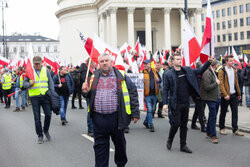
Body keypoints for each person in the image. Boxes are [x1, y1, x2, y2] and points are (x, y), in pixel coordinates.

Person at [82, 53, 140, 167]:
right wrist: (85, 92)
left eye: (106, 61)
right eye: (102, 61)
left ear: (111, 62)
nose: (104, 63)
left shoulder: (121, 76)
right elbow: (90, 95)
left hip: (116, 118)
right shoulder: (94, 76)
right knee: (100, 148)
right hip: (99, 118)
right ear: (99, 64)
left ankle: (121, 164)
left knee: (120, 146)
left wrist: (135, 112)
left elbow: (132, 92)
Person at [163, 53, 212, 153]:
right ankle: (170, 139)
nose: (179, 60)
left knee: (184, 125)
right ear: (172, 62)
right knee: (176, 124)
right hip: (175, 103)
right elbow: (165, 89)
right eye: (177, 59)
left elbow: (199, 71)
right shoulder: (168, 74)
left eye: (180, 59)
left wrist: (208, 62)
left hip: (186, 102)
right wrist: (165, 103)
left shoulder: (187, 70)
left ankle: (183, 145)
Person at [23, 56, 55, 144]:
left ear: (41, 63)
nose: (37, 65)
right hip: (34, 97)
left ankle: (45, 130)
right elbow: (24, 84)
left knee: (48, 114)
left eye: (38, 63)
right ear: (33, 63)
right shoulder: (29, 71)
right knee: (37, 118)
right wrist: (29, 83)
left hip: (45, 96)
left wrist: (52, 93)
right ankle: (40, 135)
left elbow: (50, 82)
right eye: (35, 63)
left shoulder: (45, 70)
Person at [218, 55, 244, 136]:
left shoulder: (234, 70)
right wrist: (225, 94)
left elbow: (236, 83)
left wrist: (239, 93)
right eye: (231, 61)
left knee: (235, 112)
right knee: (223, 112)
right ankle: (222, 128)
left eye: (233, 60)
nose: (233, 62)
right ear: (226, 62)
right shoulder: (222, 70)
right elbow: (221, 83)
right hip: (225, 95)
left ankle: (235, 129)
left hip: (234, 95)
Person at [200, 60, 221, 144]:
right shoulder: (207, 73)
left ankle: (208, 132)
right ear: (215, 65)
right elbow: (207, 87)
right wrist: (216, 83)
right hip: (210, 98)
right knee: (213, 117)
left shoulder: (213, 72)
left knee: (212, 115)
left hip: (216, 97)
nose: (218, 66)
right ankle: (213, 135)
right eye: (218, 65)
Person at [142, 59, 161, 132]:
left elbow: (160, 80)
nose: (145, 65)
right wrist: (141, 81)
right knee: (149, 109)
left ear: (150, 64)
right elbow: (139, 84)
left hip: (154, 94)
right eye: (144, 64)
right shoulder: (142, 72)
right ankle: (151, 124)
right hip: (147, 95)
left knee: (152, 110)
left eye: (146, 64)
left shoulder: (155, 71)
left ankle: (146, 122)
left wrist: (159, 80)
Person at [191, 62, 206, 132]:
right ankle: (203, 126)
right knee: (201, 110)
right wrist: (197, 95)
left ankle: (193, 123)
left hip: (201, 95)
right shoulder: (195, 74)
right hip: (197, 95)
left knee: (197, 109)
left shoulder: (201, 74)